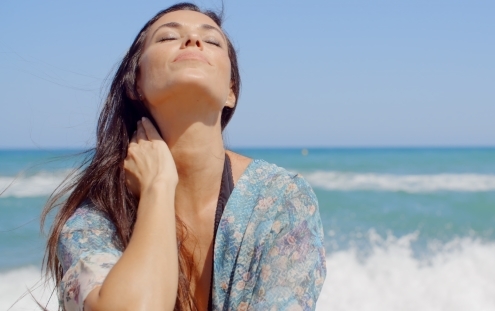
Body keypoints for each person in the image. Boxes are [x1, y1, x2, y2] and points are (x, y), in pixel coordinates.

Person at [41, 3, 326, 311]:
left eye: (212, 40)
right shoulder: (97, 217)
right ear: (136, 82)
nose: (193, 41)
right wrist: (157, 190)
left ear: (231, 90)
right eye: (167, 38)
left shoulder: (281, 200)